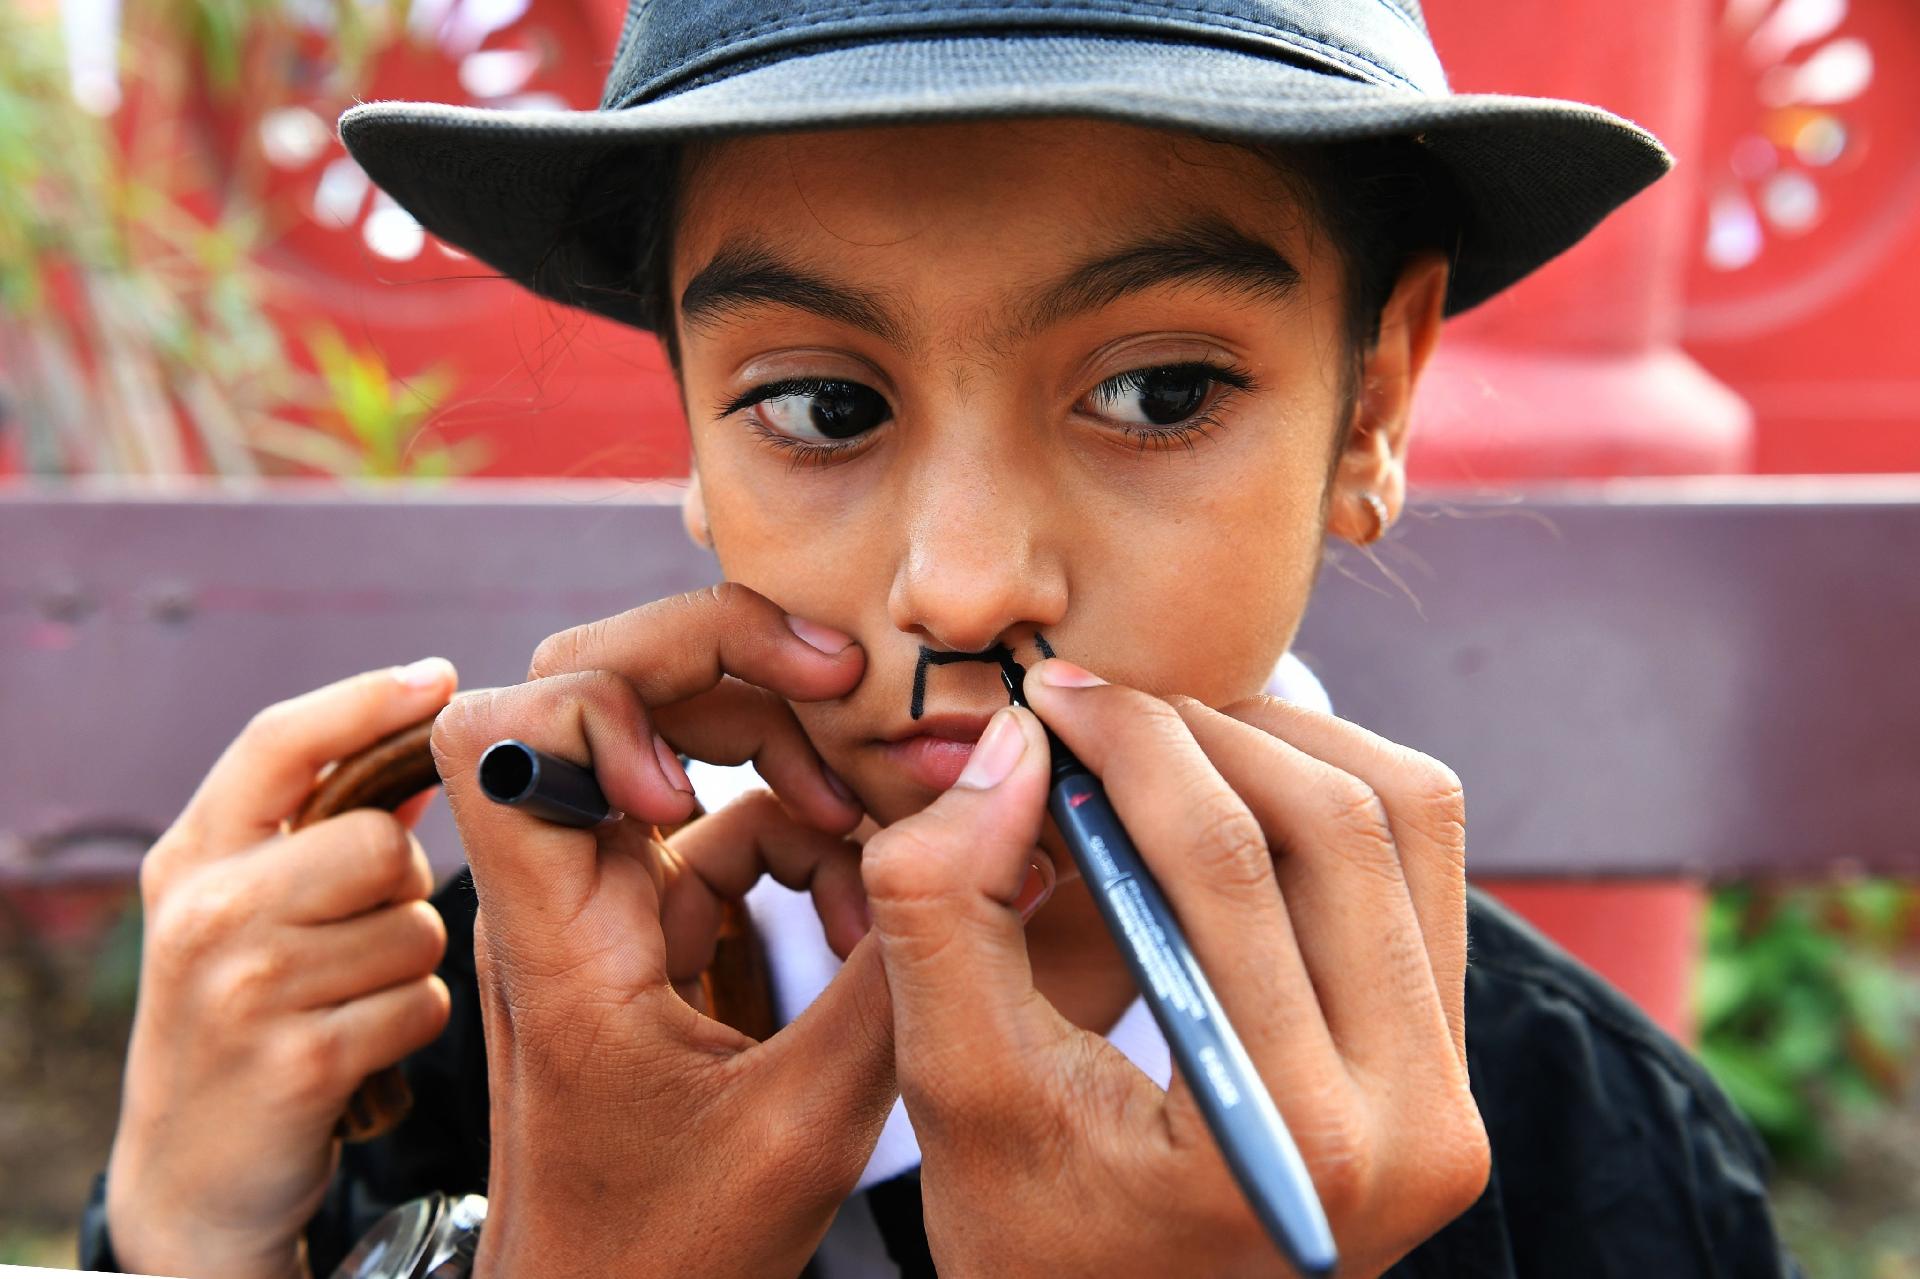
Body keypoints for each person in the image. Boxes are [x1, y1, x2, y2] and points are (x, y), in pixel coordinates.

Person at [85, 1, 1805, 1275]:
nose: (970, 589)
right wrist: (188, 1220)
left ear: (1374, 397)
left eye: (1160, 391)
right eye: (825, 404)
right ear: (691, 427)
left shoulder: (1591, 1158)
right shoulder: (455, 1038)